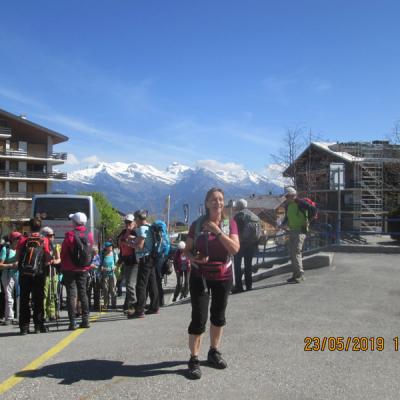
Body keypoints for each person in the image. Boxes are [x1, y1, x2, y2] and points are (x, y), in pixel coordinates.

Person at [184, 187, 240, 379]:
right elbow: (187, 250)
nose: (218, 202)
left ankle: (213, 352)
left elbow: (234, 249)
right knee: (199, 318)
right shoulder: (197, 225)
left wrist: (217, 232)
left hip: (223, 276)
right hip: (200, 276)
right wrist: (193, 258)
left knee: (218, 316)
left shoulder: (229, 224)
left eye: (221, 199)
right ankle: (194, 359)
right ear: (207, 203)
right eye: (214, 199)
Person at [16, 217, 51, 335]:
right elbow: (47, 259)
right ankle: (38, 326)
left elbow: (17, 258)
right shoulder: (44, 240)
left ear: (30, 227)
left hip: (24, 274)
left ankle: (24, 327)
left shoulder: (23, 239)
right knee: (38, 299)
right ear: (40, 228)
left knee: (24, 299)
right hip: (39, 273)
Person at [61, 212, 94, 330]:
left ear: (74, 222)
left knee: (71, 294)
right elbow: (90, 251)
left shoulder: (69, 235)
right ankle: (85, 320)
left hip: (70, 269)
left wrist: (62, 264)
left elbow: (63, 252)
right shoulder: (89, 235)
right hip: (84, 268)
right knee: (83, 293)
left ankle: (73, 322)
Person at [127, 210, 159, 319]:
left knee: (141, 285)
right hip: (151, 258)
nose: (134, 221)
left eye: (135, 219)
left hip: (145, 259)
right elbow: (145, 241)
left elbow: (140, 246)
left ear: (138, 218)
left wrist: (129, 244)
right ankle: (154, 307)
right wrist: (134, 239)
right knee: (152, 283)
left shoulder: (141, 229)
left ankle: (139, 310)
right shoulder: (149, 227)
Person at [281, 187, 317, 283]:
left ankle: (300, 275)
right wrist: (283, 224)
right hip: (292, 231)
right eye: (286, 196)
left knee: (296, 252)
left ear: (292, 195)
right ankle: (295, 275)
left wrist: (308, 221)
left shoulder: (301, 203)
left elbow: (314, 210)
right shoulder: (288, 205)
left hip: (300, 231)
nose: (286, 198)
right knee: (292, 254)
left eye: (287, 196)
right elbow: (287, 217)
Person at [232, 198, 261, 292]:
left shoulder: (238, 216)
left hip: (240, 244)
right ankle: (249, 286)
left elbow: (234, 231)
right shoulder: (254, 216)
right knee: (248, 265)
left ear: (239, 206)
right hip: (252, 243)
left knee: (237, 265)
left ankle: (239, 287)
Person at [117, 214, 138, 314]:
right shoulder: (123, 233)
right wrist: (120, 260)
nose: (127, 224)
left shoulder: (136, 233)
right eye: (126, 222)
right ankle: (128, 305)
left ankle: (134, 306)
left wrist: (128, 240)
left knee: (130, 285)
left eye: (129, 222)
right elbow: (120, 246)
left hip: (134, 262)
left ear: (134, 222)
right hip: (125, 260)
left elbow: (139, 245)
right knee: (127, 284)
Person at [0, 231, 22, 325]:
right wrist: (11, 265)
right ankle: (9, 317)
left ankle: (16, 316)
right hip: (7, 274)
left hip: (18, 274)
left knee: (18, 296)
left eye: (20, 238)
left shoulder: (20, 249)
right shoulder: (5, 249)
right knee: (9, 296)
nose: (19, 240)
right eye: (18, 238)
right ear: (12, 240)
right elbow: (0, 265)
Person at [41, 227, 61, 322]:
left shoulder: (55, 246)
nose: (52, 237)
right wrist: (45, 263)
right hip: (44, 273)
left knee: (53, 293)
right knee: (45, 294)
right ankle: (43, 313)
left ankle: (52, 313)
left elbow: (59, 259)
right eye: (50, 235)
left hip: (53, 272)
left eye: (53, 235)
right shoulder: (41, 246)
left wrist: (55, 261)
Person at [100, 241, 118, 310]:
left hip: (112, 274)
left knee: (113, 289)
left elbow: (117, 264)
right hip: (105, 274)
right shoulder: (102, 254)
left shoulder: (114, 254)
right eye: (109, 246)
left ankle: (114, 305)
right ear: (106, 247)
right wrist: (102, 268)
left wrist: (115, 267)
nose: (111, 247)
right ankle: (106, 304)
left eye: (111, 246)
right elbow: (100, 264)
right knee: (105, 289)